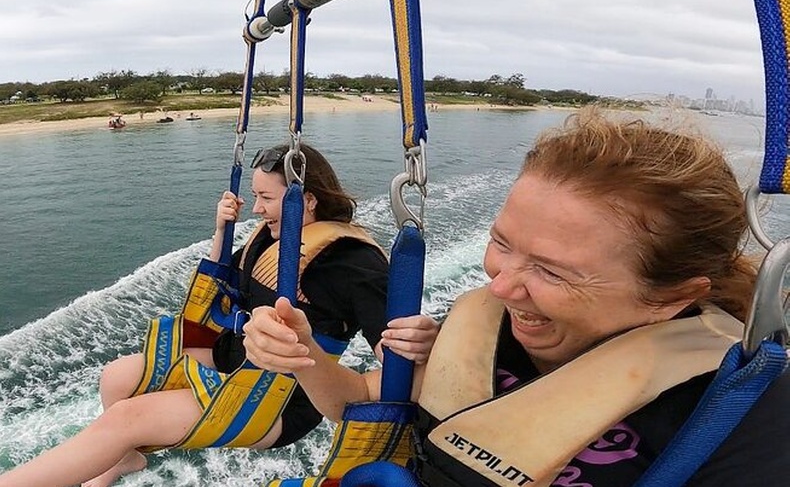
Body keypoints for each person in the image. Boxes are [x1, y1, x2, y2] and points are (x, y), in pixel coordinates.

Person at [244, 108, 790, 486]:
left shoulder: (742, 415)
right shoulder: (477, 329)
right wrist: (304, 355)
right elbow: (358, 407)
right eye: (501, 243)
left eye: (553, 272)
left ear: (671, 297)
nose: (500, 287)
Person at [0, 142, 438, 487]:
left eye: (266, 199)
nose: (257, 208)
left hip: (279, 398)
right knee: (116, 377)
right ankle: (124, 461)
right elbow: (220, 283)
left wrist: (417, 344)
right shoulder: (271, 238)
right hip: (230, 358)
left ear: (305, 201)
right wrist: (221, 227)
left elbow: (392, 356)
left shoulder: (353, 262)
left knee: (129, 415)